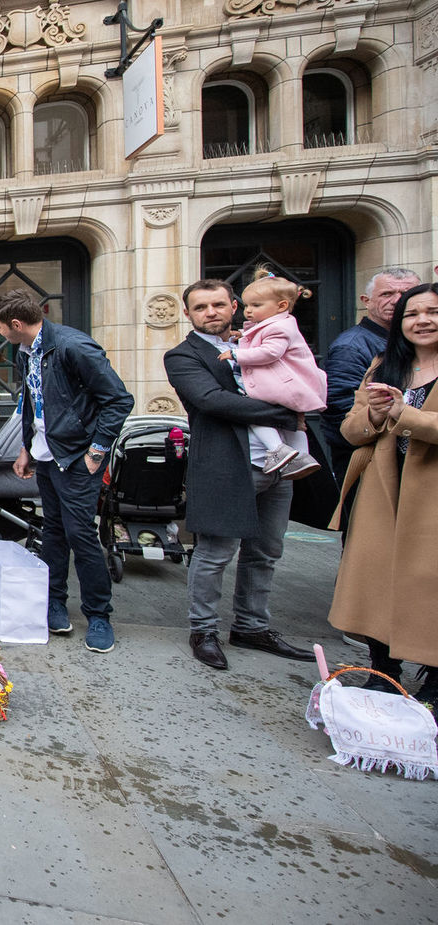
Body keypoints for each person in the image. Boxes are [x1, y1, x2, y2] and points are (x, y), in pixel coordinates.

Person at [164, 280, 317, 671]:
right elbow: (210, 401)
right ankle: (204, 630)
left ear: (234, 306)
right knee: (215, 554)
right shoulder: (182, 356)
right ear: (188, 314)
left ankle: (251, 626)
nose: (210, 312)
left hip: (281, 464)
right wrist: (283, 414)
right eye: (200, 307)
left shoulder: (258, 343)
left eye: (218, 304)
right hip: (227, 465)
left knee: (266, 552)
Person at [0, 288, 134, 653]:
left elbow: (119, 400)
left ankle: (98, 615)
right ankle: (54, 602)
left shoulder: (74, 347)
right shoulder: (25, 352)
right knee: (52, 531)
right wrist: (26, 449)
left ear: (17, 324)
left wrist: (96, 452)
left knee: (81, 535)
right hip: (45, 456)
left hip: (76, 458)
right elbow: (32, 404)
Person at [328, 283, 438, 706]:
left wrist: (403, 414)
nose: (421, 321)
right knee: (376, 579)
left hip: (429, 492)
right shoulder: (384, 364)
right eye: (412, 314)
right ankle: (382, 672)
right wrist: (374, 413)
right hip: (384, 487)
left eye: (431, 312)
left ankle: (433, 682)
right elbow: (351, 430)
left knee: (427, 583)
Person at [218, 272, 326, 478]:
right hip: (288, 384)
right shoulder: (279, 324)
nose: (248, 311)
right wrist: (243, 335)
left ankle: (277, 449)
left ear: (282, 306)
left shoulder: (279, 328)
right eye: (247, 306)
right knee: (294, 424)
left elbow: (269, 352)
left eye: (256, 306)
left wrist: (236, 354)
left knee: (255, 413)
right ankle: (303, 457)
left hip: (280, 384)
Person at [322, 268, 420, 482]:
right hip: (367, 460)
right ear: (366, 301)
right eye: (387, 294)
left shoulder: (418, 344)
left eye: (407, 293)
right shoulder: (351, 346)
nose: (397, 300)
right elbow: (340, 411)